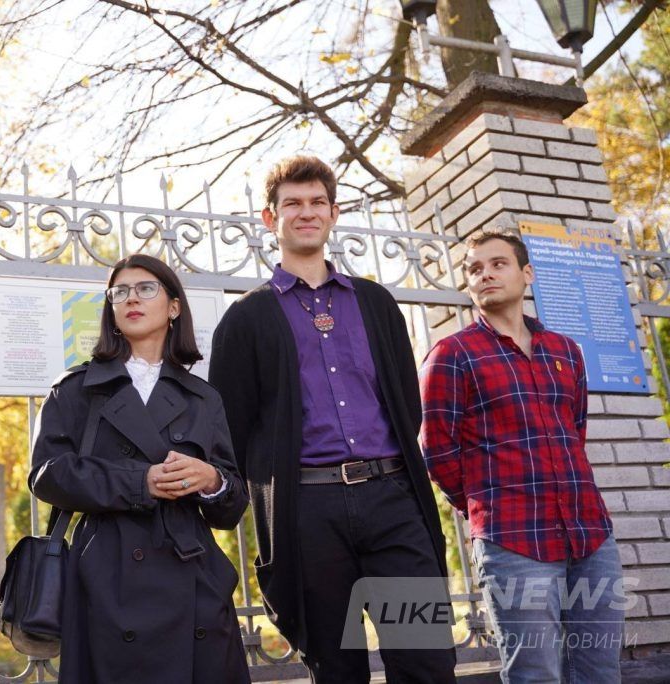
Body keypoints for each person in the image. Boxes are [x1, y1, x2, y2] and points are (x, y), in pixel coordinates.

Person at [209, 155, 456, 684]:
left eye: (317, 202)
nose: (307, 212)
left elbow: (405, 402)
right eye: (292, 203)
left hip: (392, 501)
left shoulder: (375, 302)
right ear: (270, 218)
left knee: (425, 660)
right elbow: (231, 429)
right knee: (337, 669)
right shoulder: (246, 318)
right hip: (307, 512)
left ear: (334, 213)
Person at [29, 253, 251, 683]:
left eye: (146, 288)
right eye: (120, 292)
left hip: (193, 576)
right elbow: (47, 475)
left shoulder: (203, 398)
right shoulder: (76, 388)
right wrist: (140, 482)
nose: (132, 298)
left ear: (173, 307)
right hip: (107, 573)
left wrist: (212, 480)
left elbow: (232, 507)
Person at [420, 231, 624, 683]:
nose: (486, 274)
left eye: (498, 264)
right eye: (475, 269)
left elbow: (574, 431)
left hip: (589, 532)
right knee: (536, 673)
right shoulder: (452, 354)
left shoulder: (566, 351)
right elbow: (437, 449)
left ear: (526, 273)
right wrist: (485, 506)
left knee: (601, 671)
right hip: (512, 539)